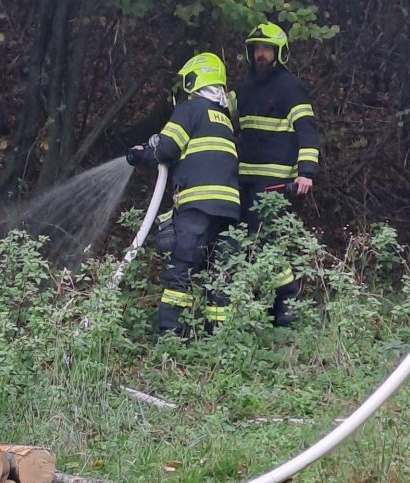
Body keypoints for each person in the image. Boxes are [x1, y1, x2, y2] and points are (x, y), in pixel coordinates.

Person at [127, 52, 240, 335]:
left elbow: (166, 150)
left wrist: (142, 155)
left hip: (198, 205)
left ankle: (171, 337)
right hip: (228, 209)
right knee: (220, 274)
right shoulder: (224, 118)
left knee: (182, 267)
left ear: (195, 79)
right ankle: (218, 338)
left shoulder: (190, 110)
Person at [233, 22, 321, 326]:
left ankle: (288, 303)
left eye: (266, 49)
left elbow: (307, 131)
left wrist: (306, 172)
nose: (261, 54)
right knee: (243, 242)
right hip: (243, 178)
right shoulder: (243, 89)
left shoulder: (290, 87)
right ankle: (262, 307)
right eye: (257, 48)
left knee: (266, 241)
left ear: (279, 53)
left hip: (274, 180)